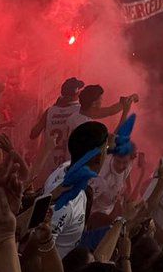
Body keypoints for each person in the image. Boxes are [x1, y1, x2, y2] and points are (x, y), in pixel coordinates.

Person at [44, 119, 110, 257]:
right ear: (98, 157)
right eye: (107, 149)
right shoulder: (66, 202)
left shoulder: (66, 167)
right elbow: (41, 252)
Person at [30, 77, 86, 175]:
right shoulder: (80, 111)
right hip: (71, 168)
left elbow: (33, 134)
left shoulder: (50, 111)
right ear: (76, 93)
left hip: (50, 170)